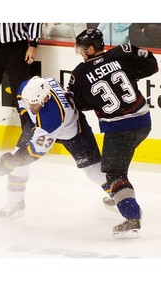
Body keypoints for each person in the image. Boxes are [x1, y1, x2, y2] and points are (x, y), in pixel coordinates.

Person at [68, 28, 159, 238]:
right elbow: (151, 65)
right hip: (143, 122)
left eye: (82, 49)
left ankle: (132, 218)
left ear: (91, 49)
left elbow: (79, 104)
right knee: (118, 162)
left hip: (120, 129)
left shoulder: (80, 73)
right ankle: (120, 194)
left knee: (115, 173)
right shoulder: (121, 53)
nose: (81, 53)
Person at [0, 76, 107, 229]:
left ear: (46, 97)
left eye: (36, 104)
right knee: (18, 162)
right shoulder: (26, 89)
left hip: (74, 133)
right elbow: (26, 111)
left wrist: (9, 162)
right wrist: (30, 129)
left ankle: (120, 196)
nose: (32, 107)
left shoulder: (52, 116)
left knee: (94, 172)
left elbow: (34, 152)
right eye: (30, 103)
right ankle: (16, 202)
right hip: (41, 128)